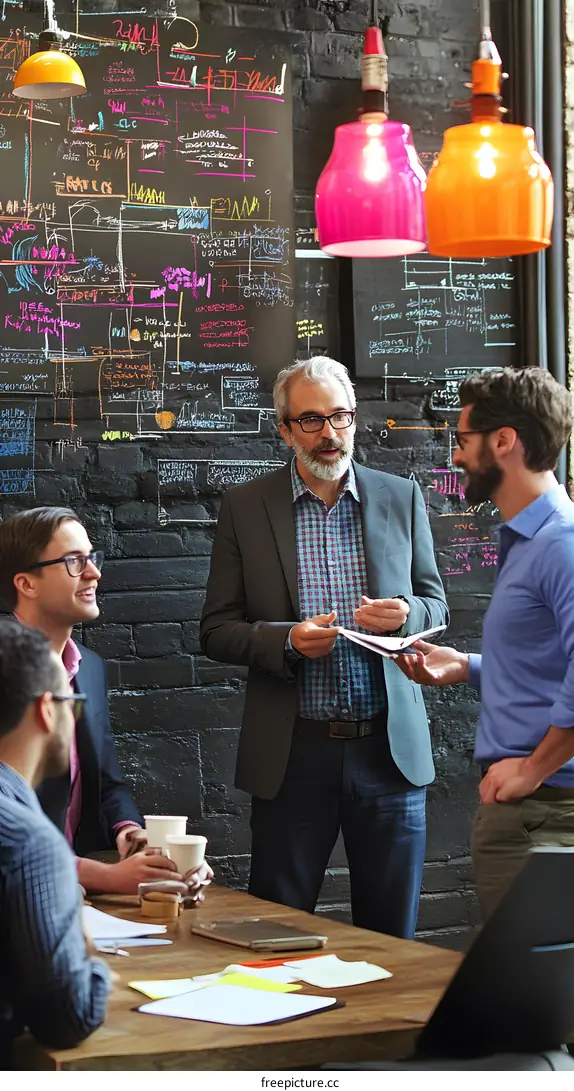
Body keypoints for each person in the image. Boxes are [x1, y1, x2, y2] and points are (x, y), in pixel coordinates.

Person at [200, 356, 448, 938]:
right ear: (284, 430)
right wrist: (285, 640)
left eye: (340, 417)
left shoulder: (400, 495)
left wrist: (410, 612)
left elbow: (438, 605)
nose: (329, 434)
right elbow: (215, 629)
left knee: (393, 941)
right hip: (293, 756)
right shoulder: (246, 508)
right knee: (276, 937)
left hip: (388, 754)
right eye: (311, 421)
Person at [396, 366, 574, 921]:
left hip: (548, 815)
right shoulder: (528, 538)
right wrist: (466, 667)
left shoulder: (563, 541)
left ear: (503, 441)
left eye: (463, 440)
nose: (456, 456)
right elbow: (552, 663)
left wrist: (533, 768)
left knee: (549, 1003)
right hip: (535, 815)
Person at [0, 507, 181, 895]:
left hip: (79, 896)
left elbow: (107, 784)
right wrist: (109, 877)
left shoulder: (90, 668)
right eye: (73, 562)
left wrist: (128, 833)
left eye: (92, 558)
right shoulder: (4, 671)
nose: (94, 573)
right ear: (26, 584)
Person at [0, 619, 110, 1066]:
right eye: (73, 703)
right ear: (48, 709)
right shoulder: (32, 844)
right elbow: (68, 1017)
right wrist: (90, 953)